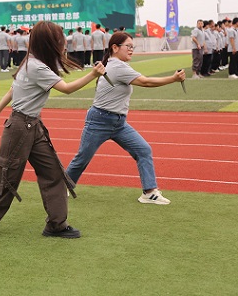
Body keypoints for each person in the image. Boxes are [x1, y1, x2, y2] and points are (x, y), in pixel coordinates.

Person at [0, 21, 106, 239]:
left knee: (53, 173)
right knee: (8, 177)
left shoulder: (32, 62)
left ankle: (56, 224)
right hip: (19, 127)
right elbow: (66, 89)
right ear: (50, 41)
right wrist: (93, 75)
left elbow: (13, 89)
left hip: (32, 125)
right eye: (59, 37)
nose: (62, 41)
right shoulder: (37, 66)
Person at [66, 31, 185, 205]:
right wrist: (173, 78)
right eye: (128, 46)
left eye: (132, 47)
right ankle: (62, 186)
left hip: (118, 123)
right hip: (100, 120)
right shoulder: (118, 67)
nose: (131, 50)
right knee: (83, 157)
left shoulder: (116, 65)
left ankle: (149, 192)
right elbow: (145, 82)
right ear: (115, 48)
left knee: (143, 149)